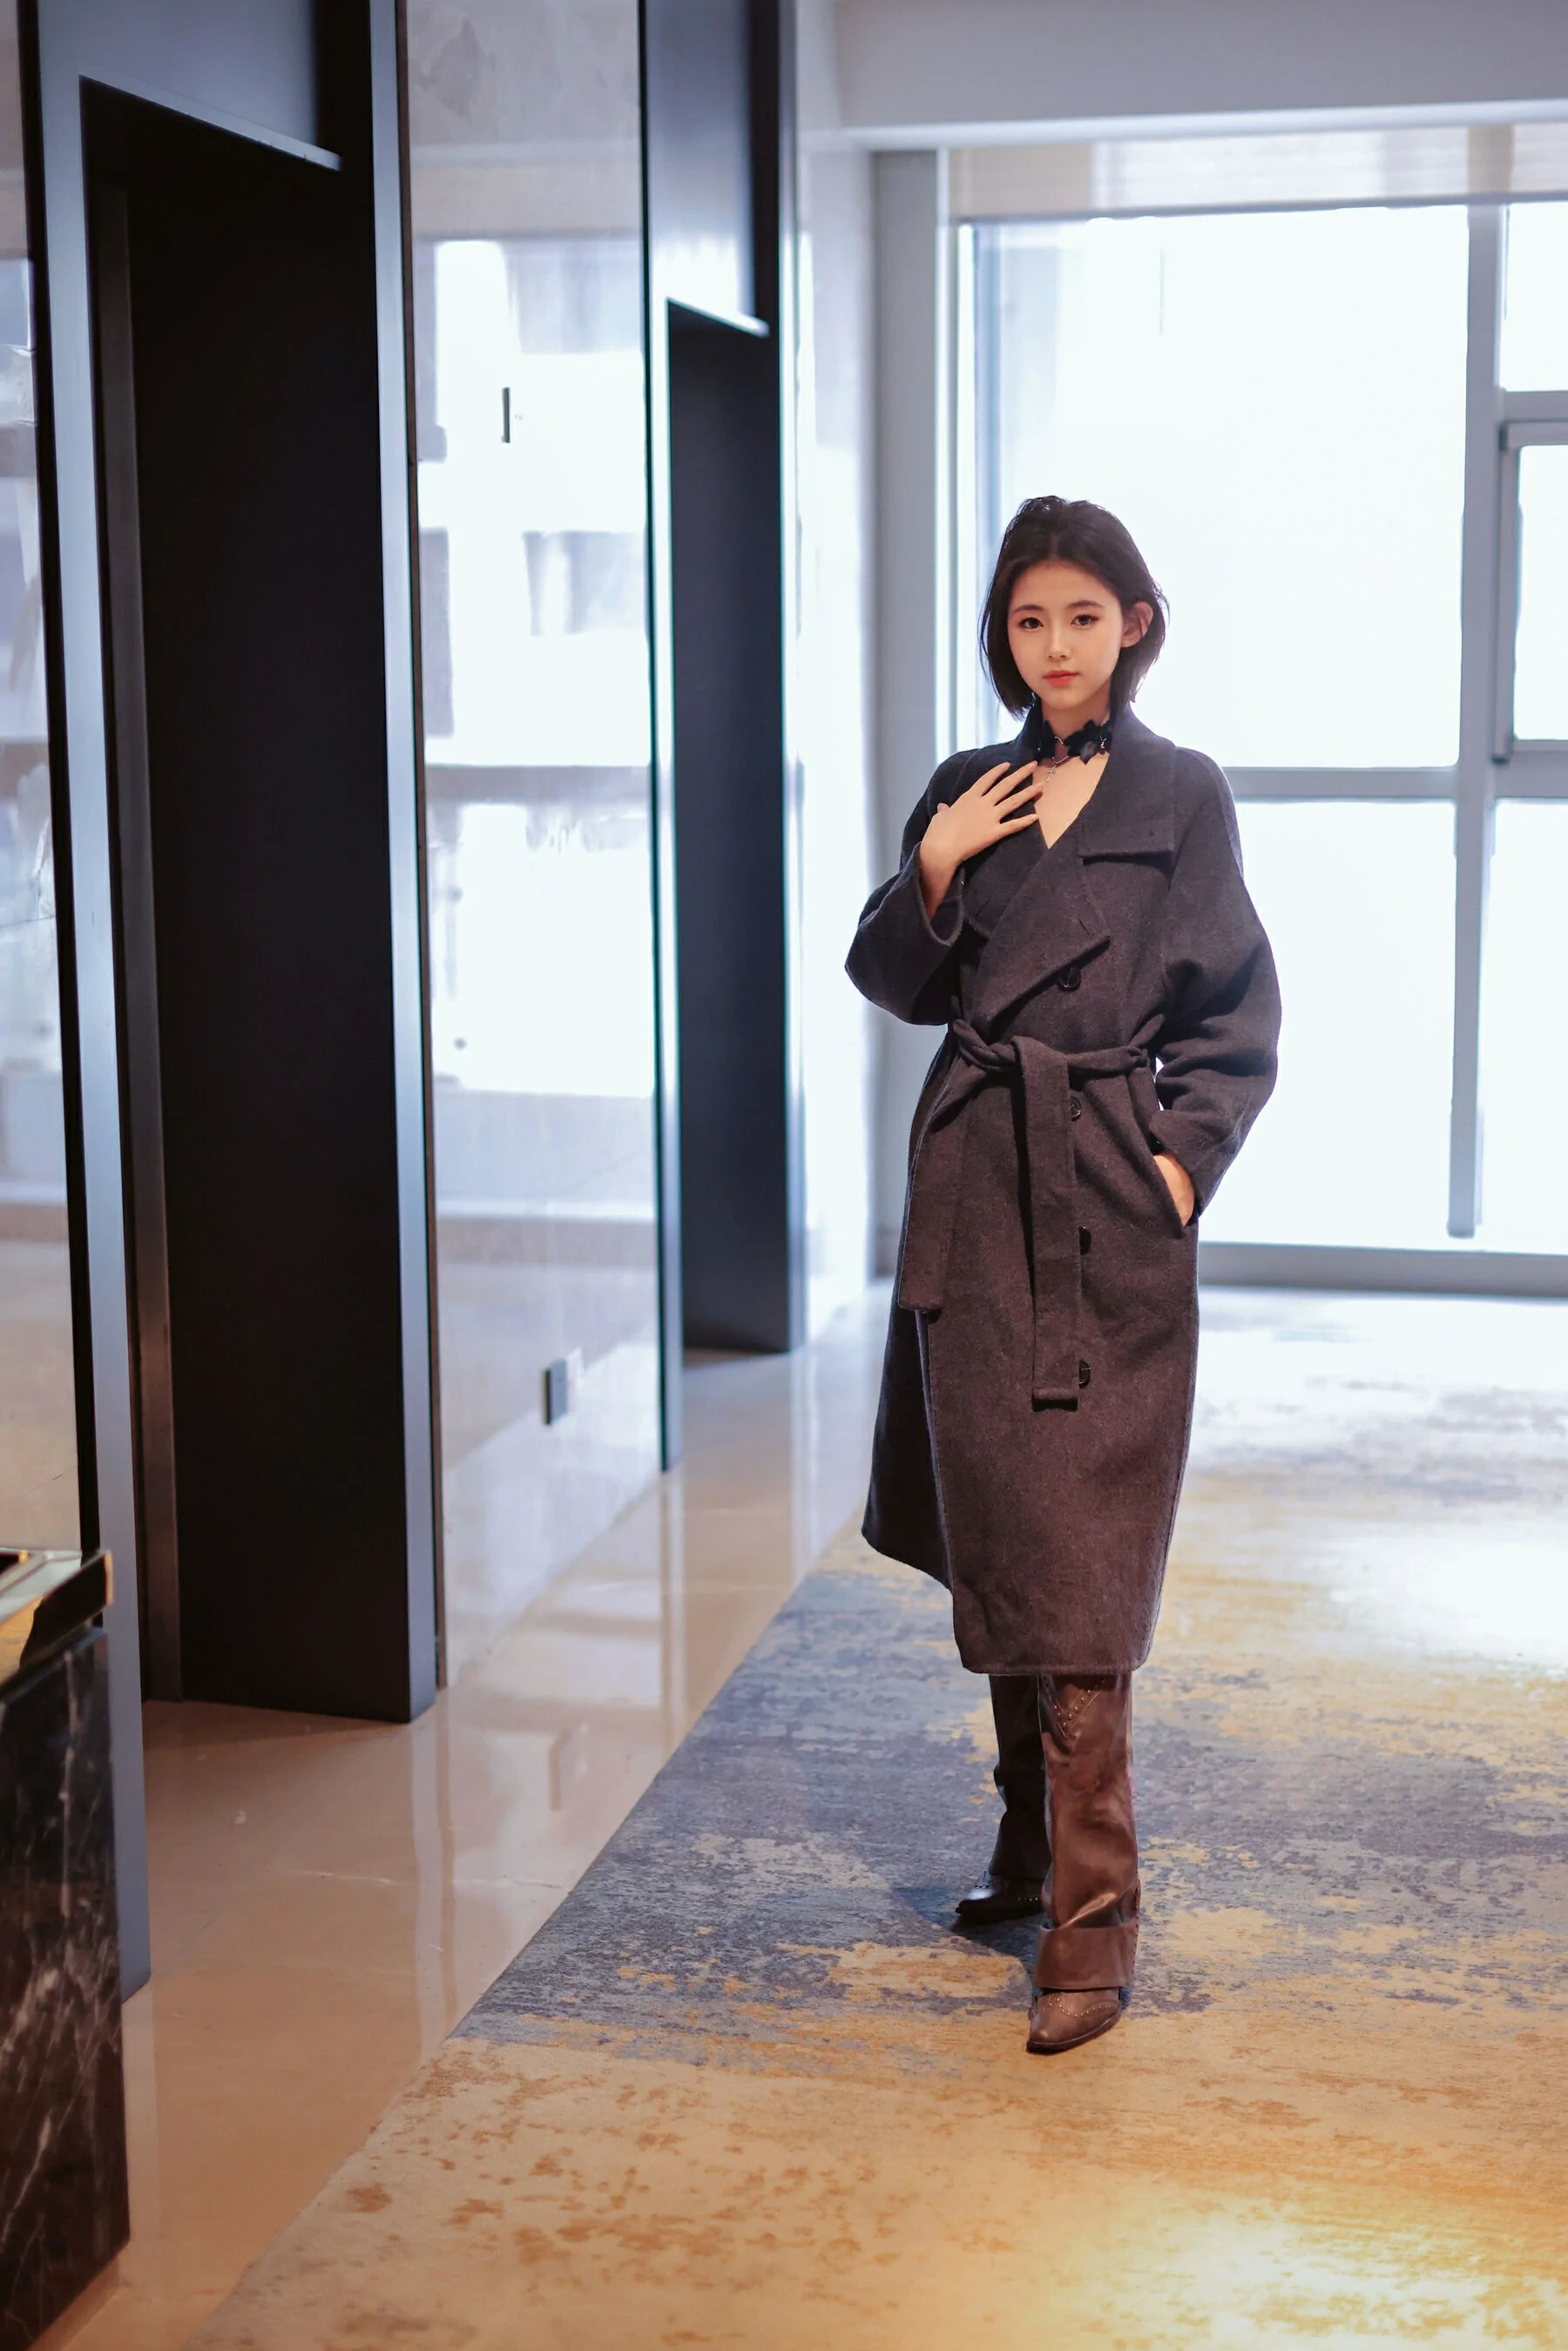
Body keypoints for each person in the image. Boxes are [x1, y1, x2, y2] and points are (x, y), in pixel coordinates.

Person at [846, 495, 1281, 2055]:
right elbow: (891, 976)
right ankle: (1028, 1844)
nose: (1055, 647)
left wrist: (1177, 1164)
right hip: (979, 1192)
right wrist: (936, 866)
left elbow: (1237, 1012)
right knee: (1007, 1533)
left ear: (1134, 625)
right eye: (1029, 620)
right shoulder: (970, 788)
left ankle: (1094, 1920)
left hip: (1101, 1194)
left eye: (1082, 617)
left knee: (1082, 1549)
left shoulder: (1184, 792)